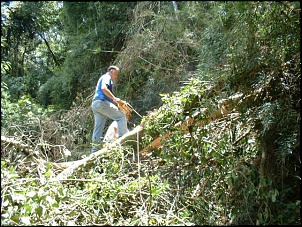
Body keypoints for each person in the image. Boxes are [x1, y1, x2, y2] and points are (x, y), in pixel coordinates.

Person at [91, 65, 128, 152]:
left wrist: (114, 101)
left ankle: (95, 150)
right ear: (111, 71)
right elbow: (104, 88)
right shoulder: (107, 77)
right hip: (102, 102)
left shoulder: (104, 77)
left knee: (98, 128)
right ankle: (122, 143)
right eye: (116, 74)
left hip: (96, 104)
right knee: (122, 116)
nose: (116, 77)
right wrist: (114, 98)